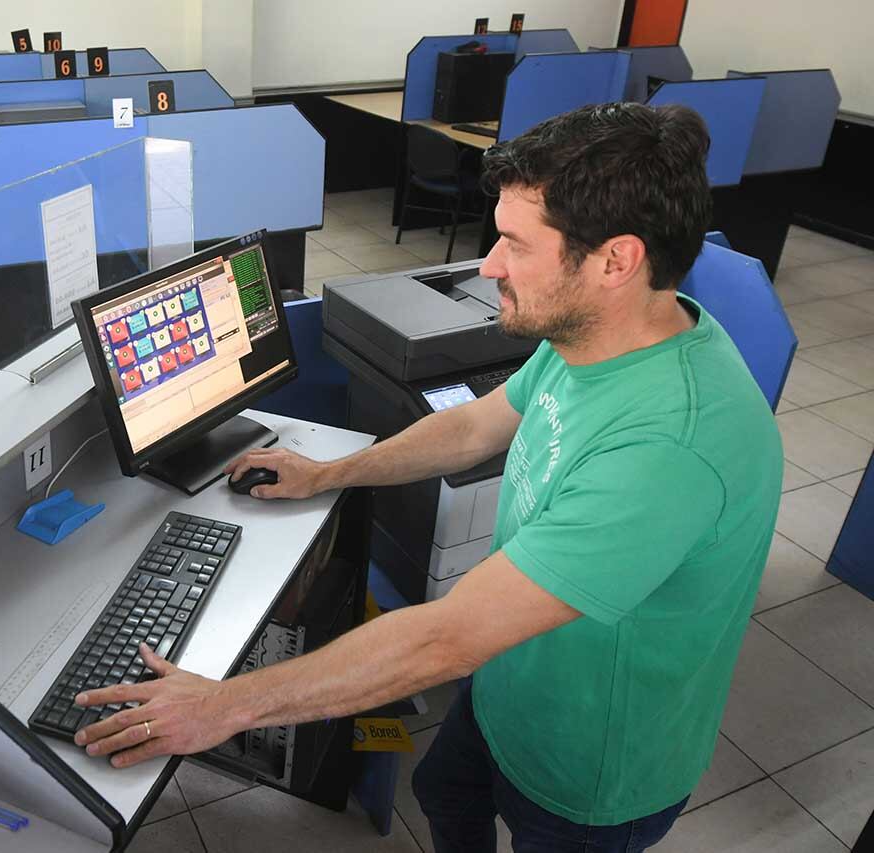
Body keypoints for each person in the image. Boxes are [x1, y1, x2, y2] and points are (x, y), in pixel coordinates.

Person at [71, 103, 784, 852]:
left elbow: (445, 637)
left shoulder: (670, 446)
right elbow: (475, 426)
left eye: (514, 244)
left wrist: (222, 707)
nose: (489, 266)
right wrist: (330, 473)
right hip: (511, 686)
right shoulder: (596, 335)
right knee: (445, 791)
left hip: (589, 768)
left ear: (616, 260)